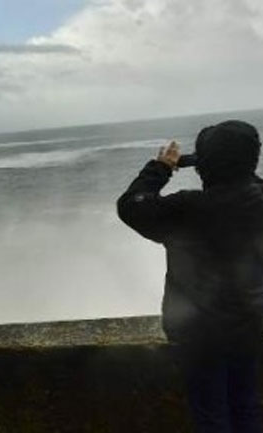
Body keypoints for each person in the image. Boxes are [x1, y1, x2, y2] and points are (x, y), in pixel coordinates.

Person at [117, 120, 263, 432]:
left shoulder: (186, 209)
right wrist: (234, 171)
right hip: (252, 328)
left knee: (211, 416)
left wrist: (161, 167)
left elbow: (131, 206)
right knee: (248, 408)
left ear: (204, 163)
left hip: (198, 335)